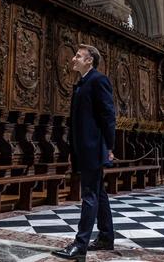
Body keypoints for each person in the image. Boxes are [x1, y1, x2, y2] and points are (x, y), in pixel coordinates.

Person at [52, 44, 116, 262]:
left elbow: (109, 116)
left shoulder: (98, 80)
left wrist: (109, 146)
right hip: (83, 147)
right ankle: (106, 237)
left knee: (89, 194)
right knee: (98, 192)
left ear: (90, 60)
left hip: (94, 147)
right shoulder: (81, 82)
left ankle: (80, 246)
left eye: (78, 56)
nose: (73, 59)